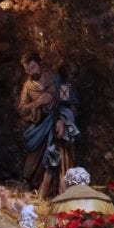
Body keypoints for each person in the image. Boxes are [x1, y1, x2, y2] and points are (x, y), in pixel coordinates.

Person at [18, 52, 79, 198]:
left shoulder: (58, 79)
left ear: (39, 64)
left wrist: (63, 120)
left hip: (56, 126)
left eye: (32, 67)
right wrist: (37, 103)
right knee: (30, 168)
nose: (30, 72)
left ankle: (53, 194)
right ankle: (36, 192)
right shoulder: (27, 87)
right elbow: (22, 109)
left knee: (55, 161)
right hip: (39, 128)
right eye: (27, 69)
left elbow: (70, 103)